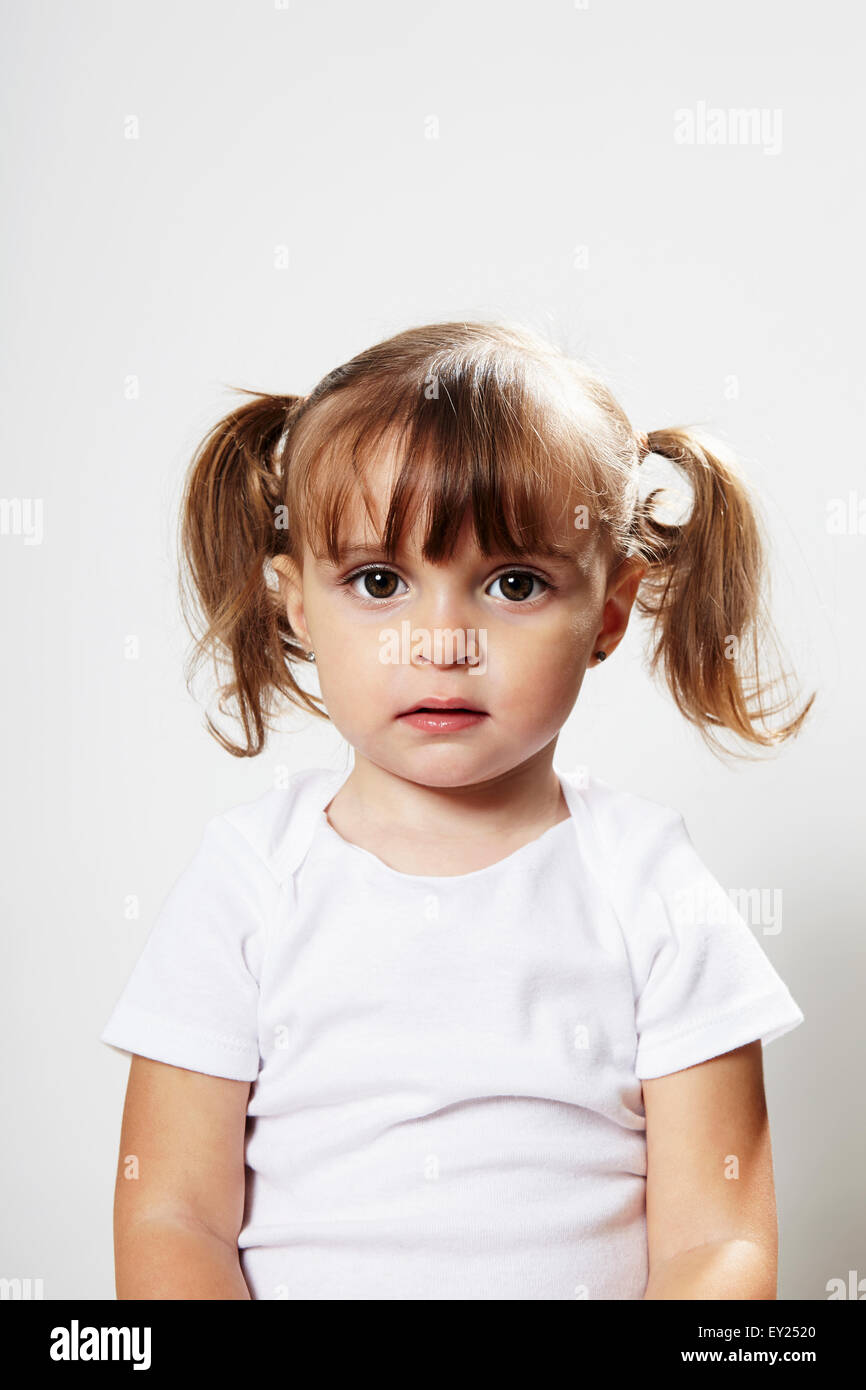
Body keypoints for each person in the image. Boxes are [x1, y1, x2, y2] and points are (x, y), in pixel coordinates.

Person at [100, 320, 812, 1300]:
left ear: (607, 612)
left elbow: (716, 1241)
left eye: (511, 583)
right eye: (378, 581)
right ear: (295, 603)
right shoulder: (247, 880)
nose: (438, 644)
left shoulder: (648, 882)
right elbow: (169, 1216)